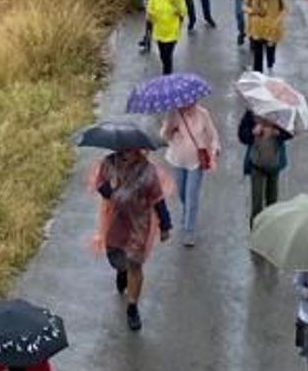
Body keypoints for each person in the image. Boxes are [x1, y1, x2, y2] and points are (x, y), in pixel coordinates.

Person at [94, 146, 173, 332]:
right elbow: (100, 185)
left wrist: (165, 225)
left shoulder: (148, 171)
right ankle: (122, 271)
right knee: (117, 260)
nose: (127, 153)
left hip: (138, 225)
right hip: (115, 222)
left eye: (133, 150)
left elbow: (158, 199)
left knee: (135, 264)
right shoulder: (109, 163)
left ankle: (132, 308)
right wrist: (109, 188)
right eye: (125, 150)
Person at [161, 99, 220, 246]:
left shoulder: (203, 114)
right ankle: (187, 213)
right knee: (182, 193)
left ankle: (189, 231)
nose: (187, 105)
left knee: (191, 196)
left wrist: (215, 148)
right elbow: (164, 136)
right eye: (183, 103)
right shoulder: (173, 114)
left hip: (196, 162)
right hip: (177, 160)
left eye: (190, 102)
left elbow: (213, 135)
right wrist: (170, 127)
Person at [238, 106, 290, 221]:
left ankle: (270, 229)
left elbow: (289, 133)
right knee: (256, 204)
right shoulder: (252, 112)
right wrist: (252, 132)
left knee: (272, 202)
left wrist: (277, 133)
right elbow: (242, 135)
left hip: (274, 163)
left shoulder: (281, 110)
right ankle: (256, 231)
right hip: (256, 163)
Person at [145, 0, 190, 73]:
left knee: (167, 55)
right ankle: (167, 72)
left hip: (172, 31)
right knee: (162, 55)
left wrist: (177, 8)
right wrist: (150, 13)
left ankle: (167, 76)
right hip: (159, 30)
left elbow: (184, 11)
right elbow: (149, 11)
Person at [244, 0, 286, 73]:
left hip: (272, 29)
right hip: (257, 29)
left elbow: (284, 9)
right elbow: (244, 6)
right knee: (257, 57)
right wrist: (253, 11)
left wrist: (277, 21)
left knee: (270, 52)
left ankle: (270, 61)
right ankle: (258, 77)